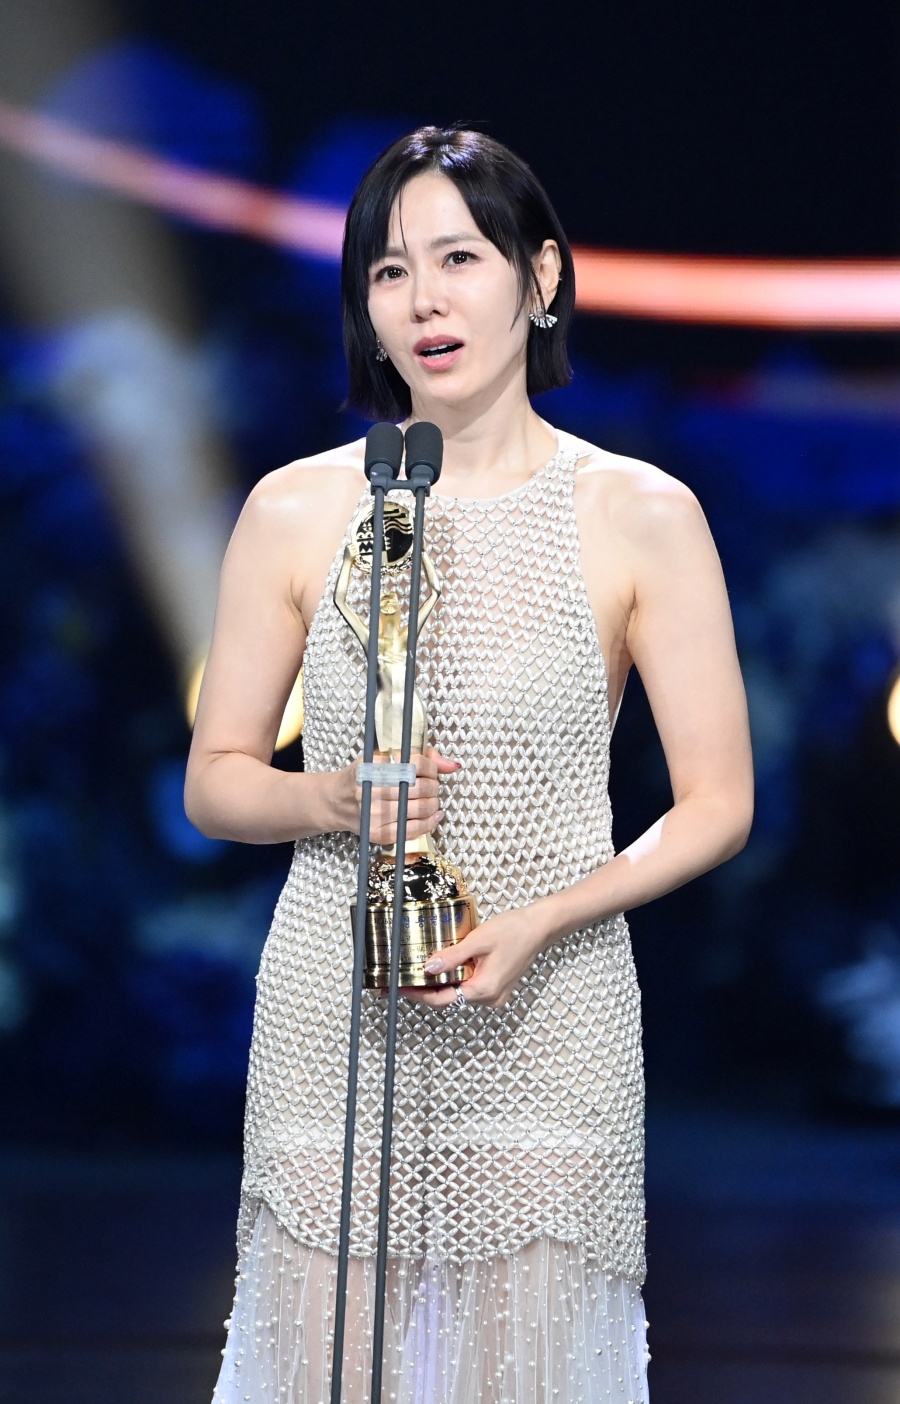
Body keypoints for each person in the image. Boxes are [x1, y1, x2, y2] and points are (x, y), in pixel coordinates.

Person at [185, 125, 754, 1404]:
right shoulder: (295, 508)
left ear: (539, 276)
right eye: (389, 271)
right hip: (335, 1016)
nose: (424, 301)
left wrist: (544, 921)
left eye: (458, 258)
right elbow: (215, 777)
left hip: (549, 1018)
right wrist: (329, 796)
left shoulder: (640, 514)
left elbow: (717, 802)